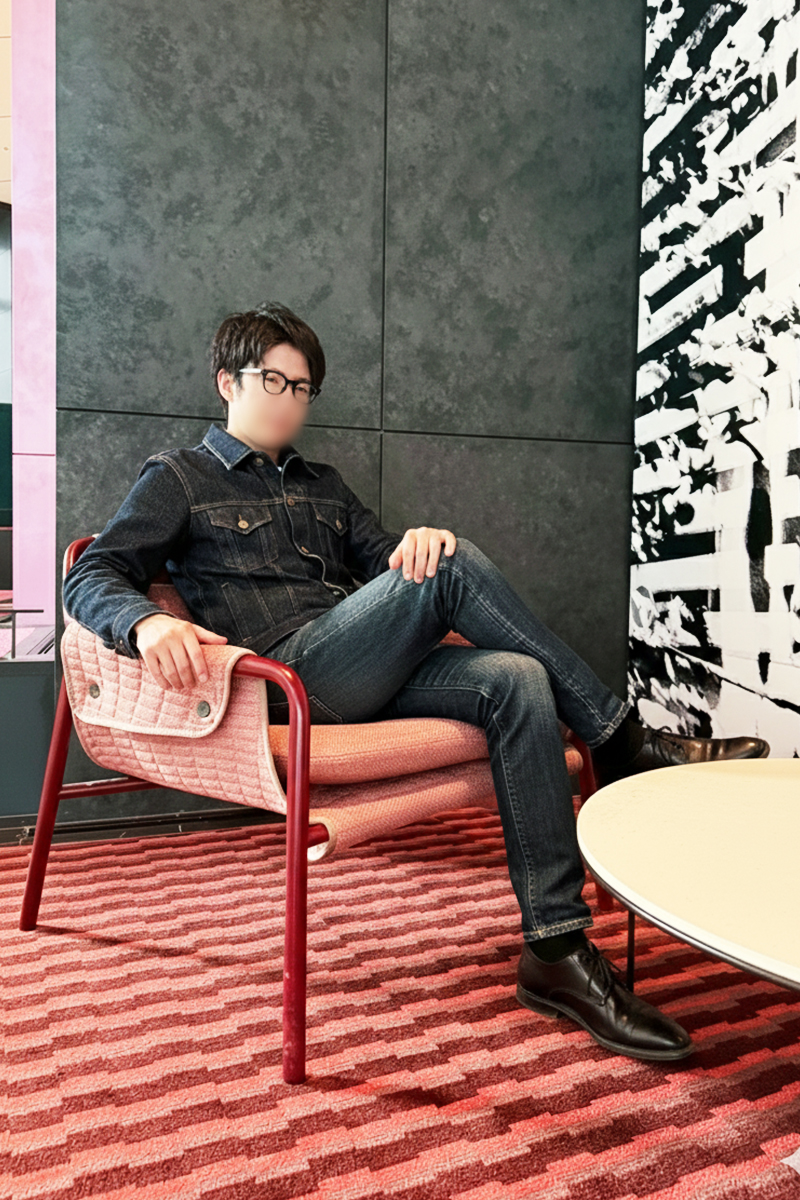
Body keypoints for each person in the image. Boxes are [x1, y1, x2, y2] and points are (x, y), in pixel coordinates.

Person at [63, 302, 770, 1063]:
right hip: (287, 679)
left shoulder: (325, 485)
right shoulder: (179, 476)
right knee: (455, 565)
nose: (290, 400)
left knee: (516, 677)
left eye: (303, 388)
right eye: (274, 380)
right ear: (227, 381)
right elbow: (92, 573)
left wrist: (420, 543)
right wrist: (145, 623)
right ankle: (619, 740)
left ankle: (555, 951)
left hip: (361, 662)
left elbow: (390, 565)